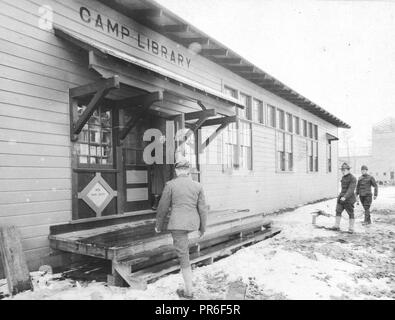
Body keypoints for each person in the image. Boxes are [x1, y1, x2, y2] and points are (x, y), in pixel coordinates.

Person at [155, 160, 208, 299]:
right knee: (186, 253)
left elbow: (162, 208)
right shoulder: (198, 186)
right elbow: (203, 209)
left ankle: (189, 291)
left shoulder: (170, 185)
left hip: (178, 224)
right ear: (188, 171)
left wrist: (158, 225)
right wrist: (203, 228)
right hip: (193, 223)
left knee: (184, 256)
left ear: (177, 171)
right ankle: (189, 285)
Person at [331, 162, 357, 233]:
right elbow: (343, 189)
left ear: (348, 170)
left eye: (344, 170)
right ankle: (336, 225)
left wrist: (345, 197)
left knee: (350, 213)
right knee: (338, 211)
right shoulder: (343, 177)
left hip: (349, 199)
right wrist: (340, 197)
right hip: (341, 198)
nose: (343, 171)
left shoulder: (353, 178)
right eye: (342, 170)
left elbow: (351, 189)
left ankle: (351, 228)